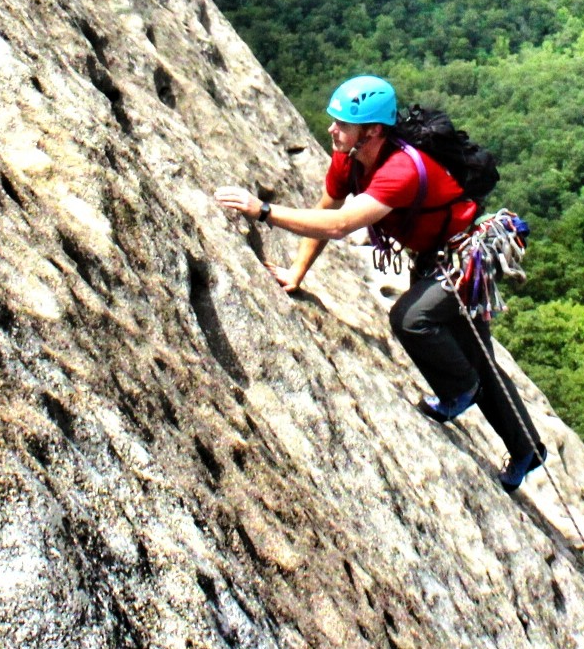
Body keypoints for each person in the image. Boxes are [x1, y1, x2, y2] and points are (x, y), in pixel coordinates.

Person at [215, 73, 546, 491]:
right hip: (436, 256)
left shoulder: (399, 170)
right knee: (473, 355)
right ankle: (525, 447)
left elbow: (339, 225)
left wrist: (262, 210)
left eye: (343, 124)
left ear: (372, 131)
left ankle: (462, 391)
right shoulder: (349, 160)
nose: (332, 129)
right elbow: (327, 208)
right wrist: (297, 272)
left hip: (465, 256)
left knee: (412, 320)